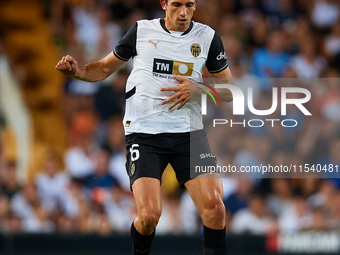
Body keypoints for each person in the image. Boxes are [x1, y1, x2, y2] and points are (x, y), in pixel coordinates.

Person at [56, 0, 233, 254]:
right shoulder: (141, 31)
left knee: (216, 209)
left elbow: (230, 91)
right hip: (145, 134)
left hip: (189, 134)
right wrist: (78, 71)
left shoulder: (207, 37)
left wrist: (199, 89)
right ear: (163, 3)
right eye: (177, 4)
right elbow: (105, 68)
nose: (183, 12)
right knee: (149, 216)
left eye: (190, 5)